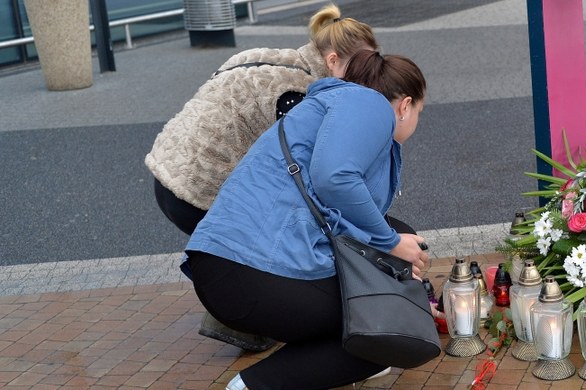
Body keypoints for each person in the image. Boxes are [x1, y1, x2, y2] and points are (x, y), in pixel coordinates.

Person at [183, 50, 427, 390]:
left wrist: (395, 242)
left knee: (382, 308)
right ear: (405, 105)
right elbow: (335, 178)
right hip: (253, 273)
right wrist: (390, 243)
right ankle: (252, 386)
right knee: (385, 327)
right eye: (419, 111)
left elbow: (338, 205)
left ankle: (307, 371)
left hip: (224, 268)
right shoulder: (370, 105)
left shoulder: (327, 109)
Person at [144, 4, 378, 351]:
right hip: (200, 190)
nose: (367, 78)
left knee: (246, 243)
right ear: (333, 61)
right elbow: (301, 172)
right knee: (275, 237)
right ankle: (241, 318)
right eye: (362, 68)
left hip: (168, 173)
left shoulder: (266, 57)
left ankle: (237, 318)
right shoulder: (298, 94)